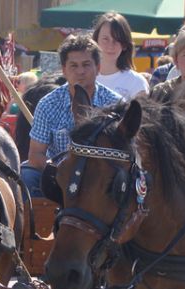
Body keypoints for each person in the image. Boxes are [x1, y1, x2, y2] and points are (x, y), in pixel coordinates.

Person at [23, 34, 122, 197]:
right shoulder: (48, 105)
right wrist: (63, 171)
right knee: (27, 176)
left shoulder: (114, 103)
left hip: (103, 179)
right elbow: (35, 155)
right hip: (58, 176)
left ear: (98, 67)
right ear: (64, 70)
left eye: (86, 65)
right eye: (73, 66)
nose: (80, 71)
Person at [92, 12, 149, 100]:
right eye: (105, 39)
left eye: (117, 40)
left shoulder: (137, 83)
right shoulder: (84, 78)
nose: (111, 45)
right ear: (96, 41)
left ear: (125, 45)